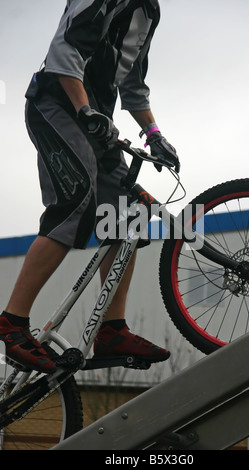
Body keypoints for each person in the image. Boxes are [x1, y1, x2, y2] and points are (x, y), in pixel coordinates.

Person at [0, 0, 180, 373]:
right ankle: (11, 321)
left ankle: (111, 330)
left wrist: (153, 133)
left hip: (97, 117)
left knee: (124, 215)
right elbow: (64, 51)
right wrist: (84, 110)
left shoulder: (149, 11)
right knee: (77, 200)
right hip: (57, 103)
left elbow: (132, 83)